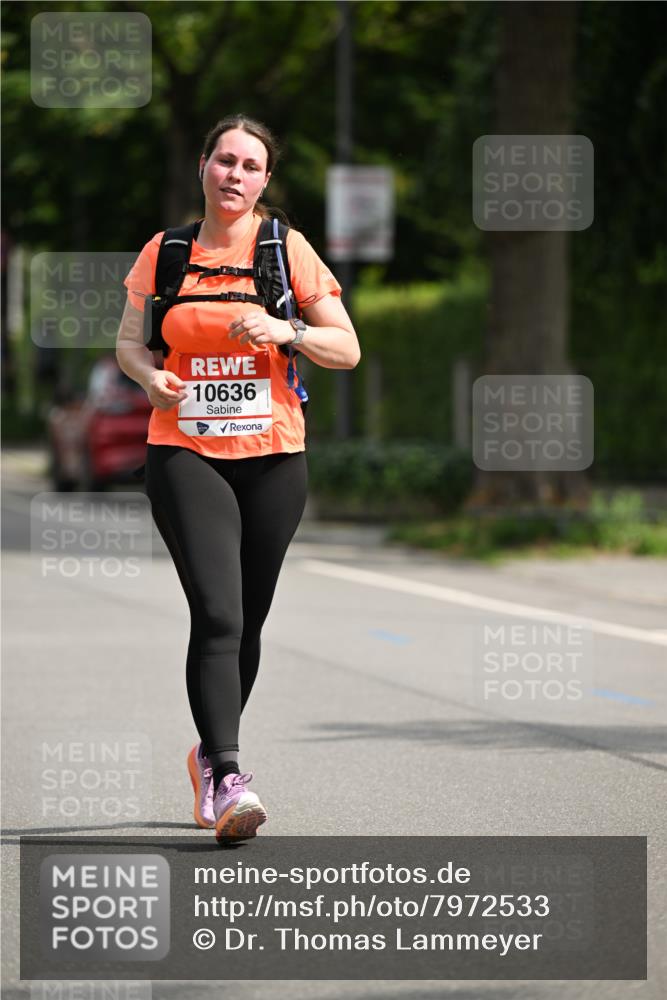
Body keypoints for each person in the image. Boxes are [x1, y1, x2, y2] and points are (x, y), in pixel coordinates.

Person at [116, 114, 360, 841]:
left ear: (264, 180)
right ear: (203, 167)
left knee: (247, 620)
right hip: (185, 451)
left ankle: (206, 755)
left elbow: (344, 349)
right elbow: (131, 343)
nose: (235, 175)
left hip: (275, 458)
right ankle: (228, 775)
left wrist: (288, 330)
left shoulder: (287, 251)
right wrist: (150, 377)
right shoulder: (166, 253)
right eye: (225, 161)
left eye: (250, 166)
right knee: (218, 613)